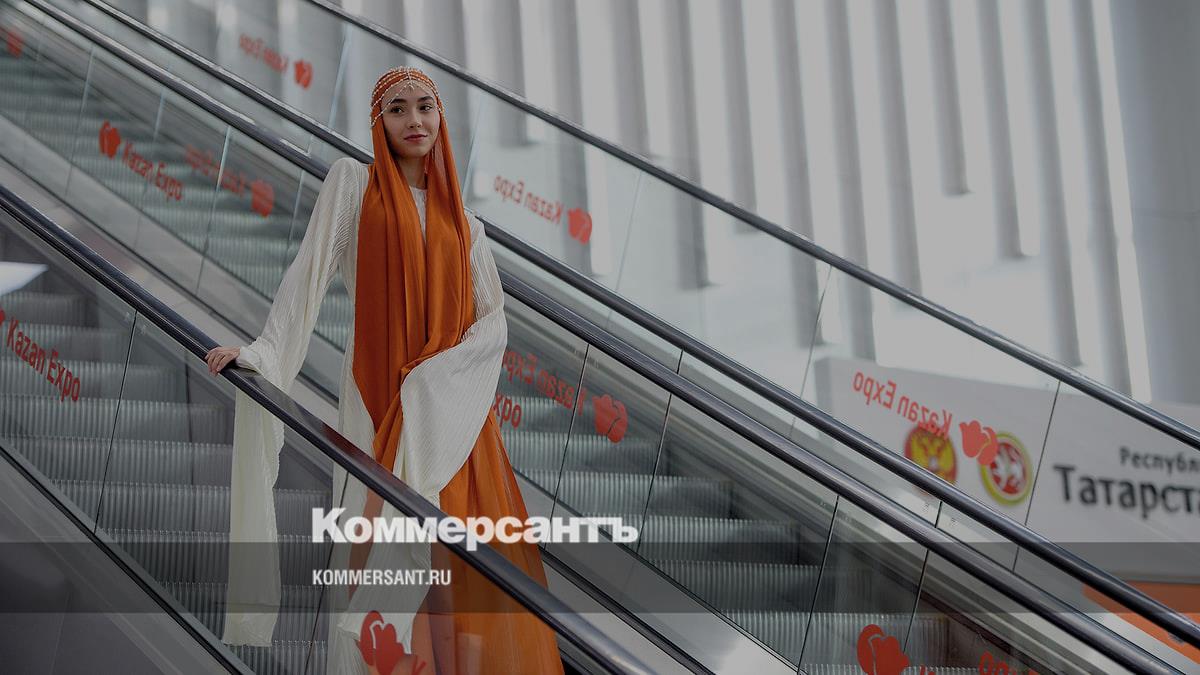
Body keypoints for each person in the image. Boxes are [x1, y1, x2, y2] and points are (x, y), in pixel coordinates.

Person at [205, 67, 564, 675]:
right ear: (378, 122)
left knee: (452, 584)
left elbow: (493, 323)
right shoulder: (354, 186)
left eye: (426, 106)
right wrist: (264, 351)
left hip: (450, 421)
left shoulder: (467, 226)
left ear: (441, 117)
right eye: (397, 109)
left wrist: (435, 384)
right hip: (379, 403)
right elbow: (308, 275)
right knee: (373, 556)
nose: (414, 120)